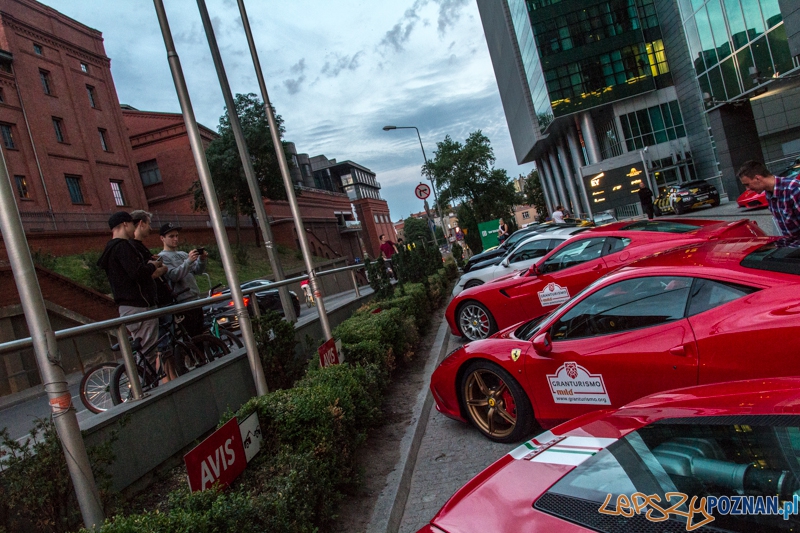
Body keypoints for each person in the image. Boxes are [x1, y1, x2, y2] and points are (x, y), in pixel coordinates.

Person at [97, 211, 166, 363]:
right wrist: (152, 265)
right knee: (148, 353)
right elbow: (137, 273)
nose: (134, 229)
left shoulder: (111, 248)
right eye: (132, 225)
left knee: (144, 350)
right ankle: (142, 385)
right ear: (125, 224)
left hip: (128, 306)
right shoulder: (123, 247)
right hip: (140, 305)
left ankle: (141, 382)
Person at [158, 223, 208, 342]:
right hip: (182, 302)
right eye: (171, 236)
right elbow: (173, 275)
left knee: (200, 335)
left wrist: (202, 260)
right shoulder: (162, 257)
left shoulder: (182, 254)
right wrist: (188, 261)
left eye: (177, 236)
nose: (175, 239)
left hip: (195, 299)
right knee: (190, 337)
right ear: (162, 238)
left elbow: (198, 271)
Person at [738, 160, 800, 242]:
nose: (747, 189)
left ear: (757, 178)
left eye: (747, 184)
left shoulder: (794, 189)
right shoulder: (769, 194)